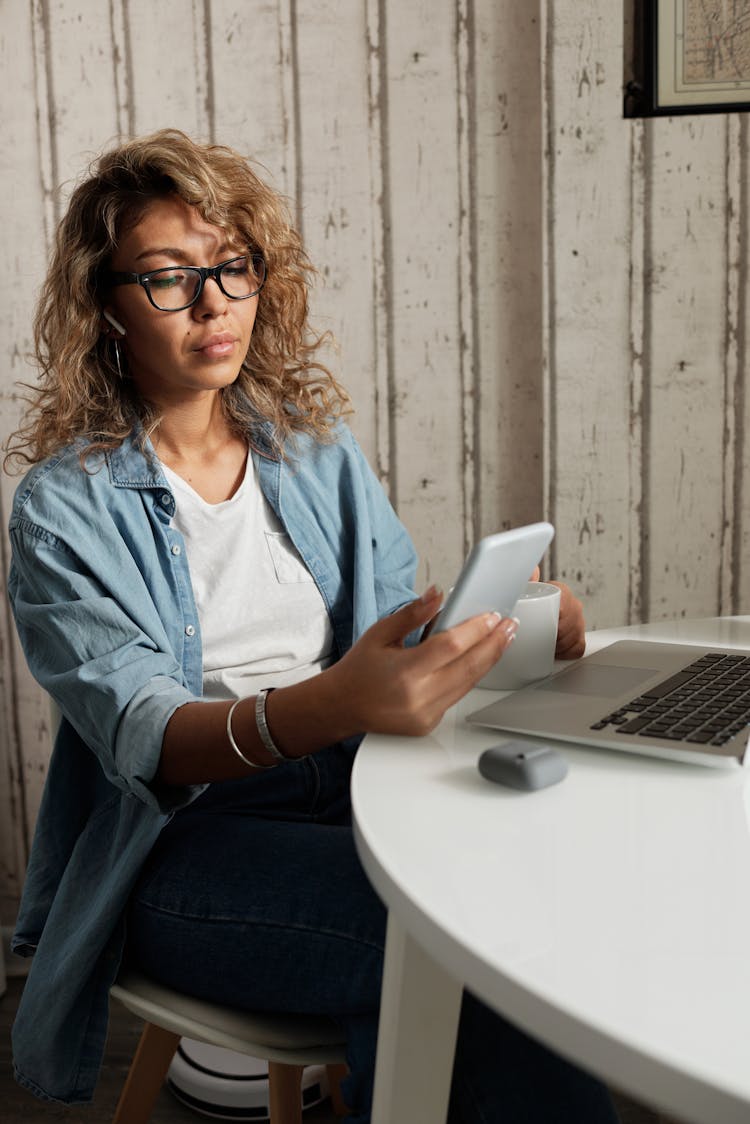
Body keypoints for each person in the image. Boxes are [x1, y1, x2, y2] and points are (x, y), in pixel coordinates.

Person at [5, 128, 615, 1122]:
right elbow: (144, 734)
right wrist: (329, 704)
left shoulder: (313, 448)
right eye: (167, 278)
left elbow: (390, 640)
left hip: (359, 791)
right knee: (455, 941)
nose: (212, 303)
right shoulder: (62, 507)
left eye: (231, 267)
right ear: (105, 308)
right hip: (184, 844)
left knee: (520, 892)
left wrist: (509, 628)